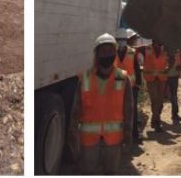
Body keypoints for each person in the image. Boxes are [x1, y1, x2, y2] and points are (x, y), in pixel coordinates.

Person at [70, 33, 133, 175]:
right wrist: (73, 139)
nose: (107, 55)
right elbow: (75, 111)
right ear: (97, 54)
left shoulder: (123, 78)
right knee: (88, 173)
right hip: (88, 141)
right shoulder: (84, 79)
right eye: (103, 51)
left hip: (114, 140)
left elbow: (128, 110)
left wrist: (128, 135)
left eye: (110, 51)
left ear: (115, 53)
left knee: (111, 173)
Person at [114, 29, 142, 144]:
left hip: (131, 86)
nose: (121, 43)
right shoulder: (112, 53)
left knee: (132, 111)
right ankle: (119, 136)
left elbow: (136, 68)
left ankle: (134, 135)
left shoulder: (132, 52)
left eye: (122, 40)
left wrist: (139, 83)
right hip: (116, 87)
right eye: (118, 40)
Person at [138, 38, 169, 132]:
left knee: (159, 101)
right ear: (153, 41)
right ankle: (157, 121)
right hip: (150, 79)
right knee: (154, 99)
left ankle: (154, 118)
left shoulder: (165, 50)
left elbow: (171, 60)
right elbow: (134, 51)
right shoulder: (146, 49)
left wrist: (168, 68)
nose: (158, 44)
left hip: (162, 79)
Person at [166, 48, 181, 124]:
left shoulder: (177, 52)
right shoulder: (166, 50)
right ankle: (157, 118)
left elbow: (179, 64)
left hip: (173, 76)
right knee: (163, 97)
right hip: (165, 76)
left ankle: (175, 114)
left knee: (173, 96)